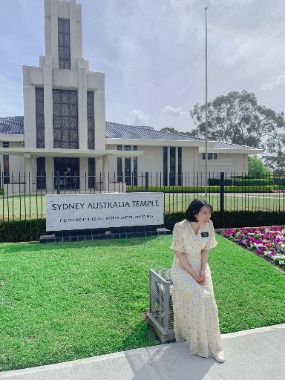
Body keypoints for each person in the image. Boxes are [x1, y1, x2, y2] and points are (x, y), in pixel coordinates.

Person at [170, 199, 225, 363]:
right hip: (182, 269)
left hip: (200, 267)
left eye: (209, 213)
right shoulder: (180, 227)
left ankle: (215, 346)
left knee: (208, 299)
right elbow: (179, 254)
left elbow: (206, 250)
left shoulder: (208, 225)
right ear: (194, 212)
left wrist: (202, 270)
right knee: (199, 296)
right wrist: (194, 274)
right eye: (204, 213)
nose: (208, 216)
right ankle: (196, 341)